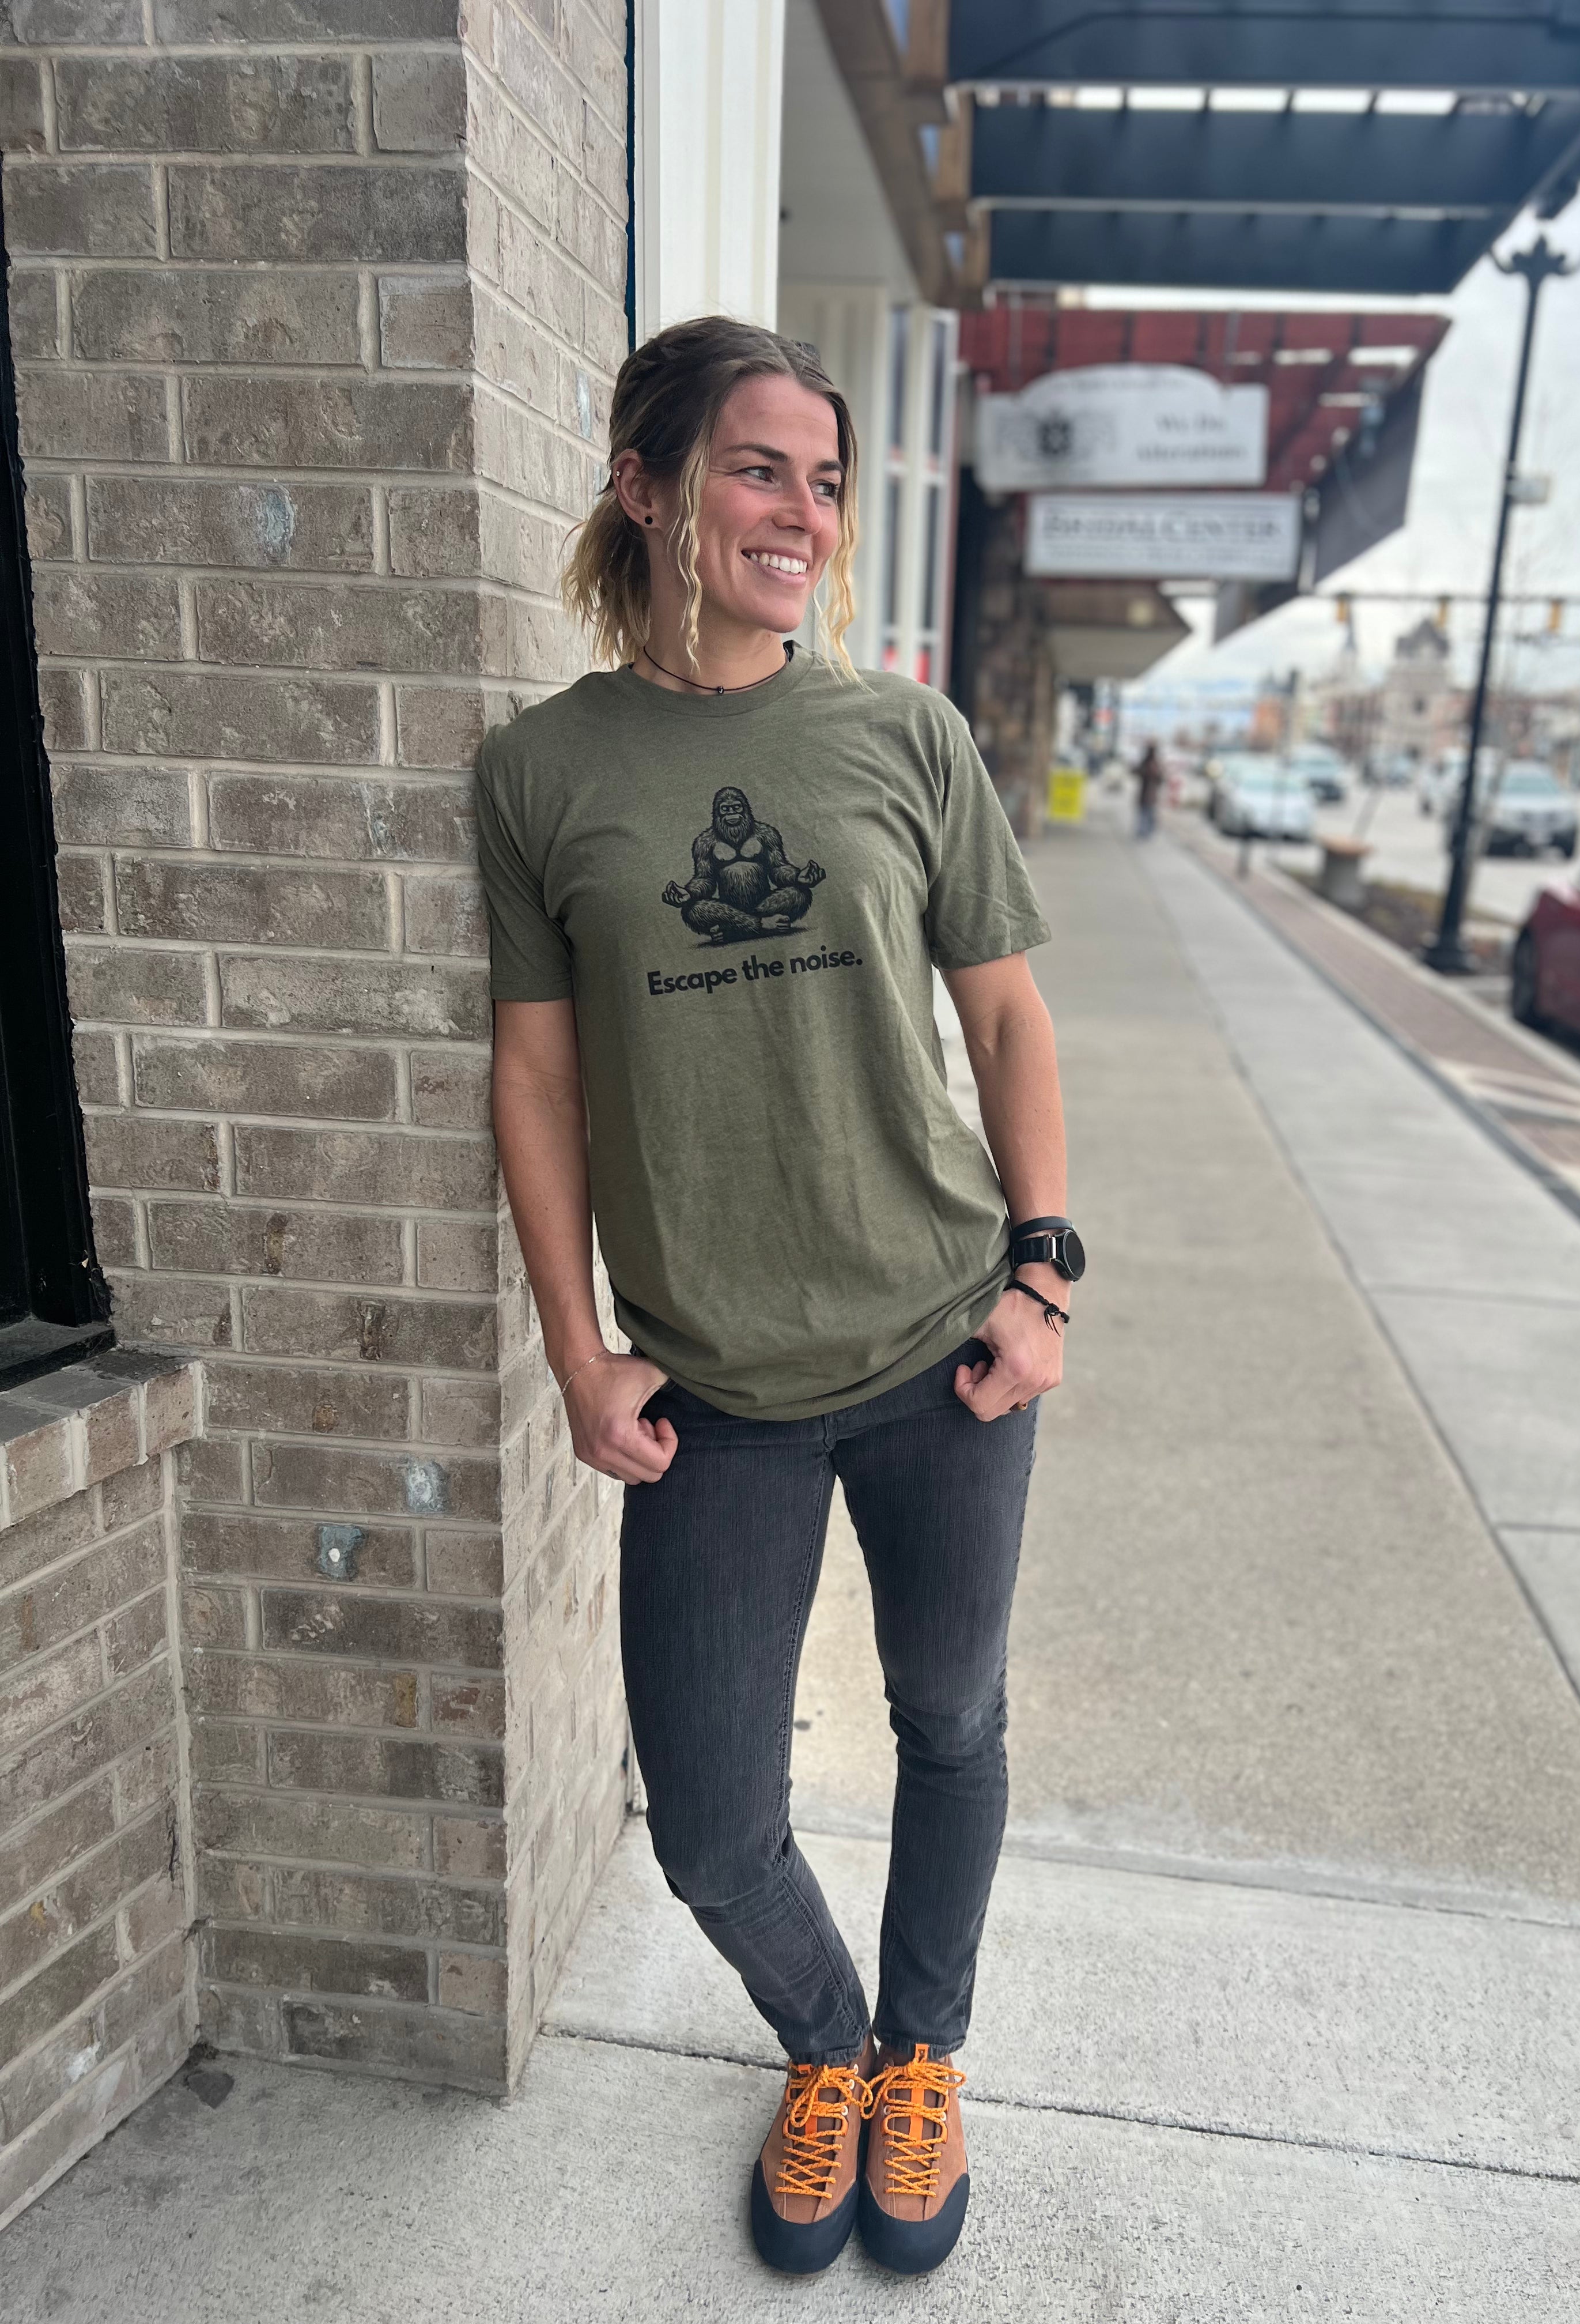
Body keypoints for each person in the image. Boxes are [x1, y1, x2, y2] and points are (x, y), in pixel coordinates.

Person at [475, 317, 1082, 2280]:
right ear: (648, 486)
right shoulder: (541, 772)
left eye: (822, 480)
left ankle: (923, 2054)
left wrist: (1041, 1273)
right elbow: (538, 1071)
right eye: (759, 468)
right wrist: (576, 1345)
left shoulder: (903, 738)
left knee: (950, 1716)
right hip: (713, 1385)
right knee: (714, 1820)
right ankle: (825, 2041)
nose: (799, 512)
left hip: (936, 1344)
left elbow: (1004, 1014)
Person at [1134, 741, 1163, 839]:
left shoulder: (1153, 763)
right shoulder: (1150, 763)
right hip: (1147, 793)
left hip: (1149, 794)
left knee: (1147, 814)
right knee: (1146, 813)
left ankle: (1145, 832)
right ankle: (1144, 832)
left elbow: (1160, 778)